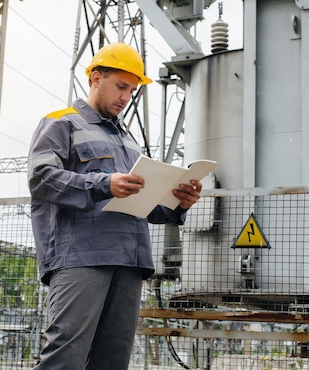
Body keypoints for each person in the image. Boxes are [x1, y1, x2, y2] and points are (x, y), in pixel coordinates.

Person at [27, 42, 203, 370]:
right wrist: (103, 183)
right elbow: (41, 178)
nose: (125, 97)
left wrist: (177, 203)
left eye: (132, 91)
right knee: (66, 354)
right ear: (96, 78)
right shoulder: (60, 122)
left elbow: (146, 204)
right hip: (81, 256)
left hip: (130, 258)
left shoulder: (129, 141)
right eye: (121, 86)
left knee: (113, 358)